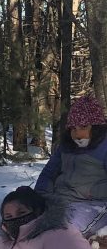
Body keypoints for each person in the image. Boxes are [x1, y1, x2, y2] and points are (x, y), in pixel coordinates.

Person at [35, 93, 107, 235]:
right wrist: (40, 196)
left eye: (84, 126)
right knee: (23, 218)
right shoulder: (66, 146)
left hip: (93, 205)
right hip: (59, 200)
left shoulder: (104, 146)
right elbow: (49, 172)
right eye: (73, 128)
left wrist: (90, 192)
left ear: (97, 127)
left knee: (63, 230)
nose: (77, 133)